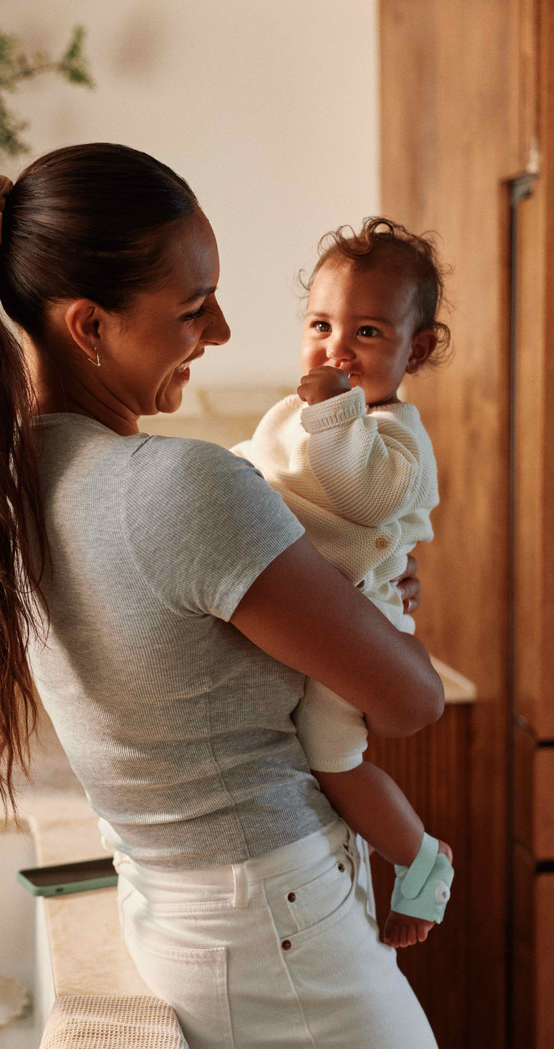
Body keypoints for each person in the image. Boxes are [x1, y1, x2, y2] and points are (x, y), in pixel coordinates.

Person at [0, 145, 444, 1049]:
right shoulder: (183, 486)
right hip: (276, 920)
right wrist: (379, 610)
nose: (223, 331)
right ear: (90, 326)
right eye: (194, 308)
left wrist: (335, 595)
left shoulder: (1, 486)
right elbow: (410, 701)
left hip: (182, 911)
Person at [233, 218, 455, 949]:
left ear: (414, 349)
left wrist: (332, 409)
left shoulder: (394, 434)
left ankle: (420, 858)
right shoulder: (301, 417)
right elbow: (252, 471)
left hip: (367, 617)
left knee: (333, 754)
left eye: (366, 331)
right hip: (314, 611)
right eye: (322, 324)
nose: (336, 347)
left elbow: (358, 494)